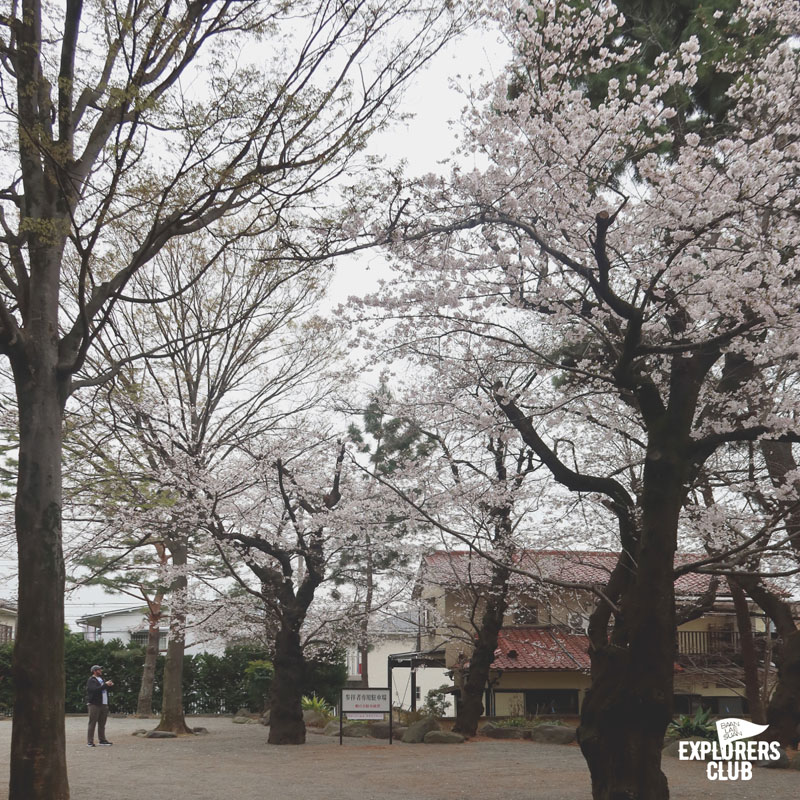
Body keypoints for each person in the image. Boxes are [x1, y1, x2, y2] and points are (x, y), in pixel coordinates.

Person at [86, 665, 114, 747]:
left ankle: (102, 740)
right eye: (99, 670)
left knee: (102, 723)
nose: (100, 671)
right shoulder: (91, 680)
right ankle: (90, 741)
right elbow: (95, 690)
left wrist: (109, 685)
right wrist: (105, 685)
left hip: (104, 703)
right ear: (94, 671)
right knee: (92, 722)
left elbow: (103, 689)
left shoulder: (102, 679)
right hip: (94, 704)